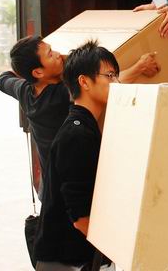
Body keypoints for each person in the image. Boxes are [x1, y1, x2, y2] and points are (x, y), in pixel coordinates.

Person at [0, 36, 159, 178]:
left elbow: (3, 79)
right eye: (50, 54)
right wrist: (140, 67)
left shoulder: (24, 90)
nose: (58, 54)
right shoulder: (58, 96)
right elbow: (103, 84)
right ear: (38, 73)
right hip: (67, 183)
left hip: (49, 184)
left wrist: (22, 66)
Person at [33, 40, 119, 270]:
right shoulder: (77, 134)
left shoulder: (85, 126)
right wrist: (120, 250)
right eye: (110, 75)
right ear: (84, 81)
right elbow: (81, 219)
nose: (116, 83)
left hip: (77, 257)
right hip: (66, 262)